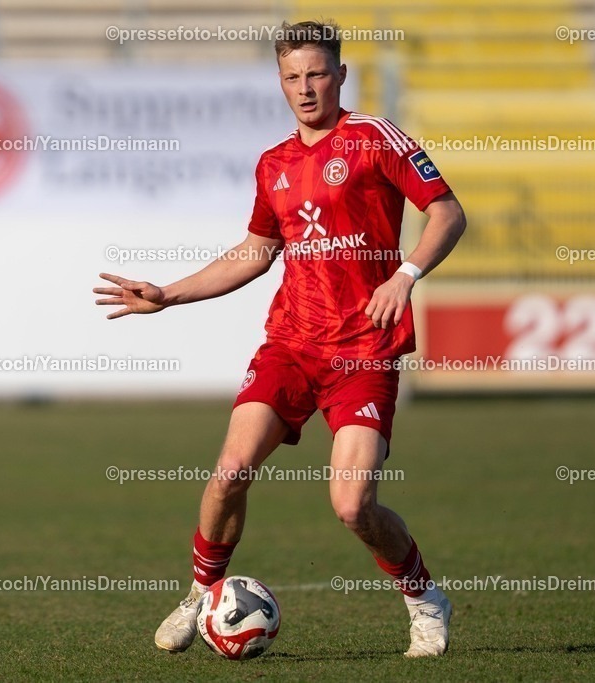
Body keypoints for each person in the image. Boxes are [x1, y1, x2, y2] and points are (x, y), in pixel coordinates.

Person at [93, 19, 465, 658]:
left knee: (352, 506)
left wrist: (406, 275)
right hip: (291, 344)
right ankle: (201, 595)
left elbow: (448, 212)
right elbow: (256, 251)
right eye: (292, 76)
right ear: (280, 81)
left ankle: (423, 596)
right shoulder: (274, 164)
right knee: (229, 473)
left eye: (317, 73)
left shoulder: (375, 139)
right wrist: (169, 295)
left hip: (364, 351)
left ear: (341, 75)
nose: (306, 87)